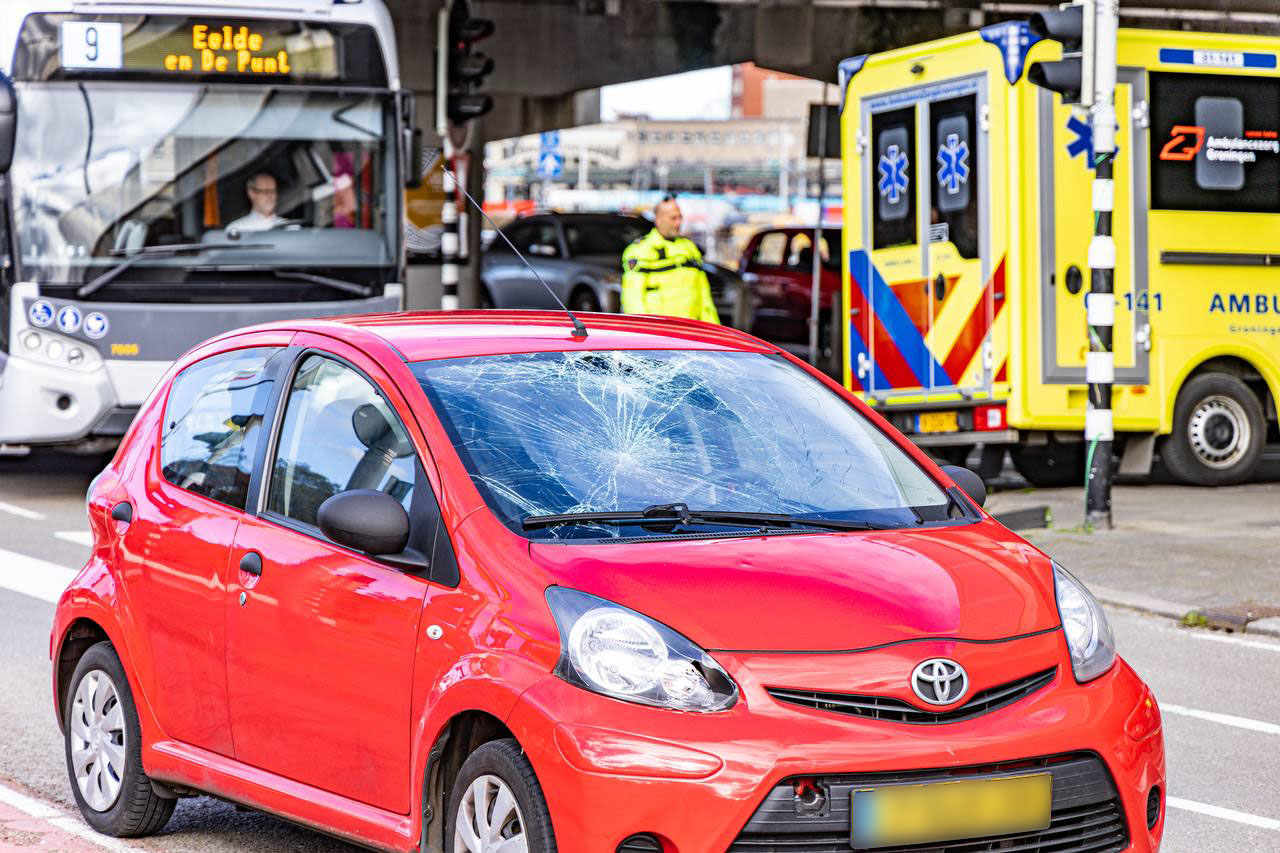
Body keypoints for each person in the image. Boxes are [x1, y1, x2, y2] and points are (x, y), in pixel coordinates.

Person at [621, 196, 720, 324]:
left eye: (680, 217)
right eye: (673, 218)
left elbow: (704, 296)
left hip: (693, 331)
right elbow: (633, 299)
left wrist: (714, 328)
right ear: (658, 220)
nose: (678, 222)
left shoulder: (689, 247)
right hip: (661, 334)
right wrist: (643, 334)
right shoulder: (640, 250)